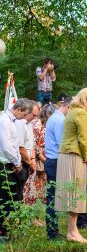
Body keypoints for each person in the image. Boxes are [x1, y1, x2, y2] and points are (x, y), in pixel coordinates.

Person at [54, 88, 87, 244]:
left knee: (71, 193)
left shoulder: (72, 110)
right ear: (86, 98)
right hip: (74, 156)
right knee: (75, 194)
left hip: (68, 155)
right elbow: (84, 140)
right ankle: (72, 232)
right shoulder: (80, 112)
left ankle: (72, 230)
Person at [0, 98, 34, 239]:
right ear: (18, 109)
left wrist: (18, 162)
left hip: (13, 163)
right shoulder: (4, 121)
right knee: (4, 197)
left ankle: (10, 229)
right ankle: (3, 231)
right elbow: (6, 146)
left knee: (14, 197)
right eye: (25, 114)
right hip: (5, 164)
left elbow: (15, 144)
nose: (25, 117)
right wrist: (17, 163)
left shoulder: (13, 121)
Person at [44, 97, 71, 240]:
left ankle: (53, 230)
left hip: (53, 161)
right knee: (53, 197)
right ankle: (52, 232)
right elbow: (64, 143)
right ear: (68, 107)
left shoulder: (55, 117)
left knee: (54, 197)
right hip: (55, 161)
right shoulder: (60, 120)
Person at [27, 104, 57, 205]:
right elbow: (34, 144)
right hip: (38, 160)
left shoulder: (48, 124)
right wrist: (43, 160)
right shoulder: (37, 124)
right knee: (33, 189)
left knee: (43, 190)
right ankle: (31, 217)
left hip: (46, 159)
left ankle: (38, 216)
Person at [16, 101, 40, 201]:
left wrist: (33, 159)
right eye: (33, 115)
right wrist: (30, 163)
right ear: (28, 112)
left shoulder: (29, 124)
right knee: (19, 192)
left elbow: (32, 144)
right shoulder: (19, 124)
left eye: (36, 116)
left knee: (26, 190)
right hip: (22, 161)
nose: (35, 118)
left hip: (29, 161)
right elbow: (21, 148)